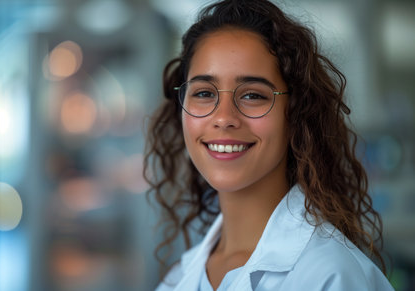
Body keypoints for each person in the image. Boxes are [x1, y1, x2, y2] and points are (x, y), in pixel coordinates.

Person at [144, 0, 394, 290]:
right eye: (203, 93)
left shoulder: (331, 275)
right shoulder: (178, 278)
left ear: (296, 113)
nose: (224, 118)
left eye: (253, 95)